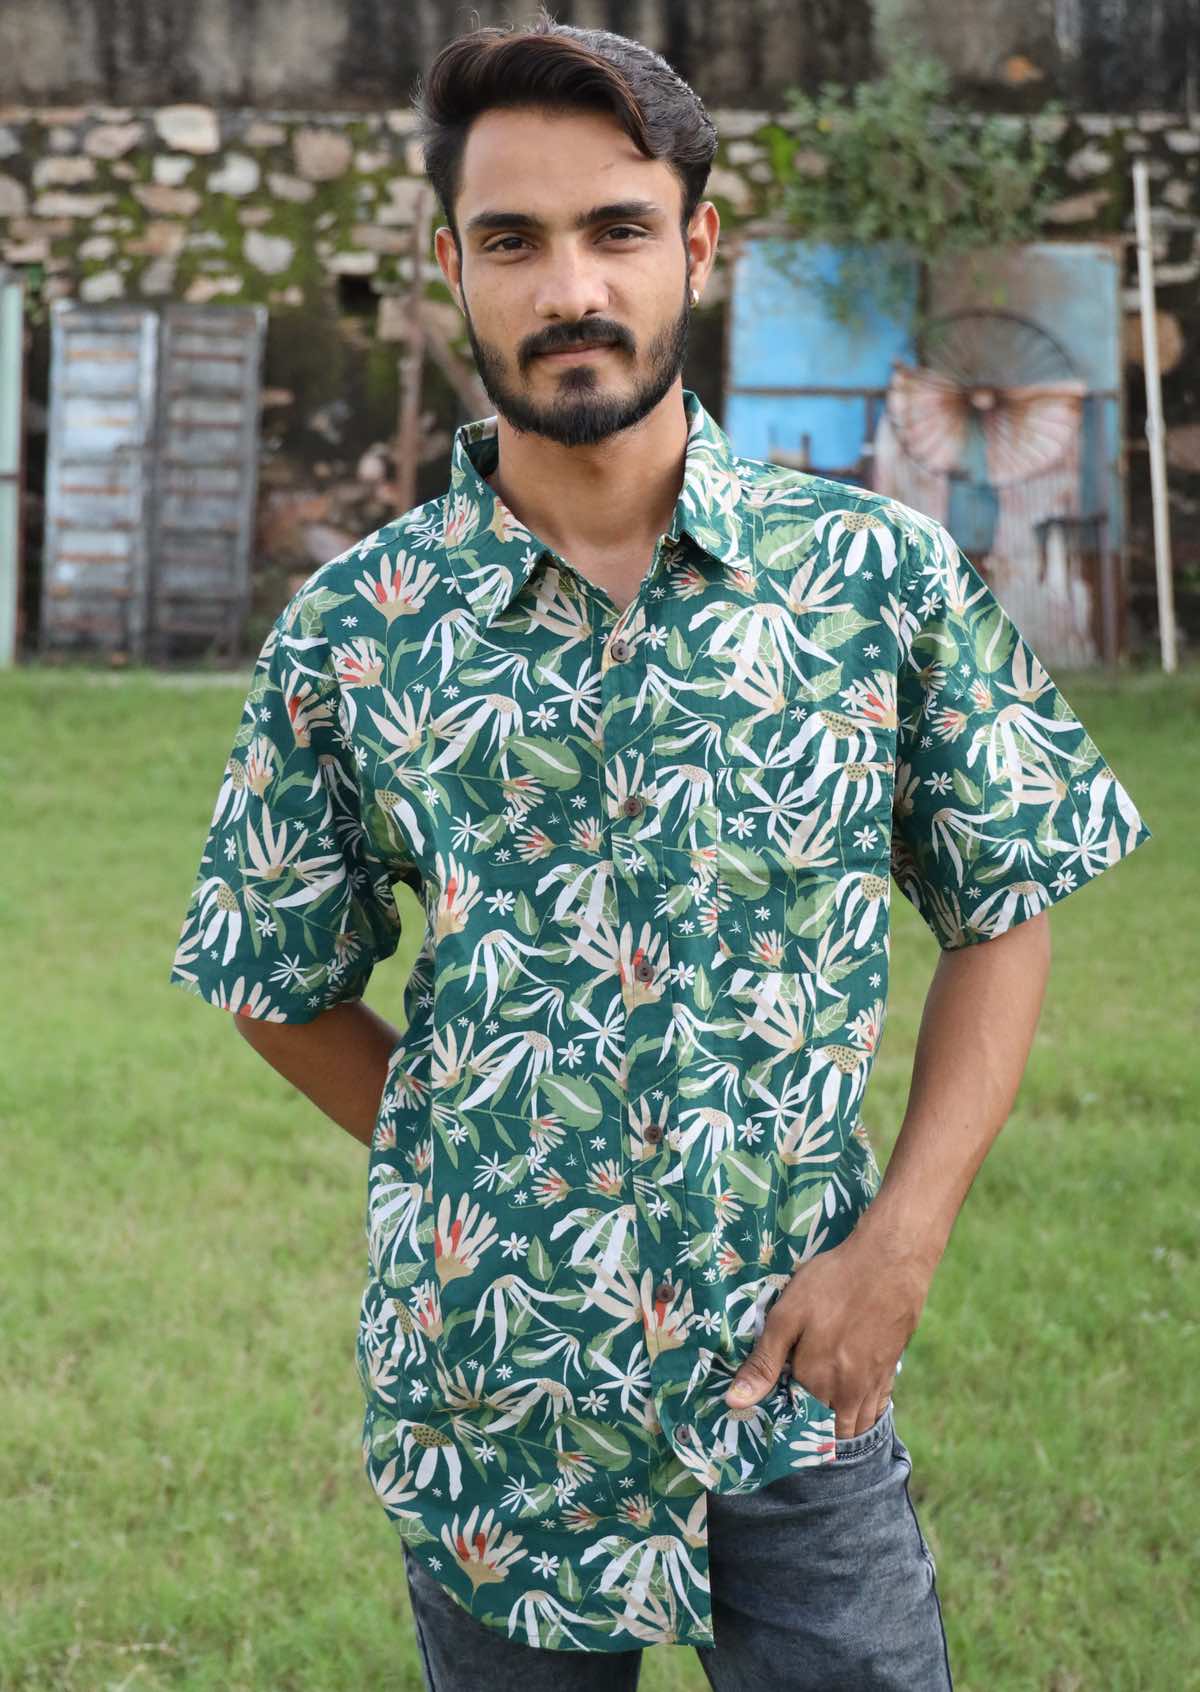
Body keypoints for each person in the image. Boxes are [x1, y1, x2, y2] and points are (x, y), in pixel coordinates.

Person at [167, 8, 1153, 1687]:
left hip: (800, 1379)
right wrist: (467, 1153)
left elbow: (1006, 903)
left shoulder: (874, 578)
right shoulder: (359, 632)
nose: (572, 289)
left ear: (696, 242)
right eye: (514, 240)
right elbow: (270, 971)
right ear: (448, 267)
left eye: (618, 228)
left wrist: (897, 1247)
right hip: (499, 1402)